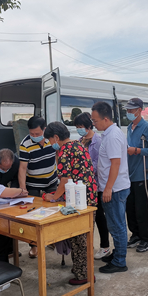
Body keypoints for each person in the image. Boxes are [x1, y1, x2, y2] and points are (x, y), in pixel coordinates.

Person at [43, 122, 98, 285]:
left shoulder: (65, 151)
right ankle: (83, 269)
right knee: (85, 236)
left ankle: (84, 276)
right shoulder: (78, 144)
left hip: (79, 200)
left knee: (78, 237)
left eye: (50, 140)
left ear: (56, 137)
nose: (50, 144)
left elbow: (65, 179)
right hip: (90, 196)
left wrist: (53, 197)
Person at [91, 102, 130, 274]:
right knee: (115, 223)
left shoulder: (113, 136)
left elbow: (115, 164)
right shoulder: (109, 133)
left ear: (105, 119)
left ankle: (120, 261)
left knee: (117, 225)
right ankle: (117, 254)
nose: (94, 124)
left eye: (95, 121)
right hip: (114, 187)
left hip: (114, 189)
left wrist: (107, 188)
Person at [18, 116, 58, 258]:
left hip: (52, 181)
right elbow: (22, 169)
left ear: (44, 130)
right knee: (33, 215)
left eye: (37, 134)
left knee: (53, 211)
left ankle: (52, 239)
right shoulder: (25, 144)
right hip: (33, 183)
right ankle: (34, 245)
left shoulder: (52, 140)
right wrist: (23, 189)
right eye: (32, 134)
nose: (34, 136)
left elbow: (58, 155)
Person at [125, 98, 148, 252]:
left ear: (139, 110)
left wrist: (138, 151)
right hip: (129, 173)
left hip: (142, 174)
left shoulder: (146, 127)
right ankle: (135, 235)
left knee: (141, 209)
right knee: (130, 207)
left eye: (131, 110)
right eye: (127, 110)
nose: (129, 113)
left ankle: (146, 238)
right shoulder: (129, 127)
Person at [74, 112, 110, 260]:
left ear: (89, 126)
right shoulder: (79, 141)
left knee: (99, 216)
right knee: (85, 216)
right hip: (81, 185)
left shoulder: (98, 141)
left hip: (95, 185)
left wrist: (85, 169)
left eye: (81, 126)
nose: (79, 130)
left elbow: (98, 163)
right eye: (77, 127)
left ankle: (105, 246)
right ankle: (88, 245)